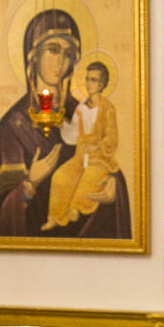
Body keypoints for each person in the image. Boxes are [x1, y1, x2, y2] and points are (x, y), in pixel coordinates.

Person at [0, 9, 131, 239]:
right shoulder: (13, 125)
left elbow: (103, 157)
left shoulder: (84, 109)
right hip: (36, 248)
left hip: (89, 241)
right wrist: (30, 183)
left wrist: (112, 183)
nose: (60, 61)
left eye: (68, 54)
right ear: (33, 55)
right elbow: (5, 212)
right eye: (53, 50)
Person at [43, 61, 121, 230]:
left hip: (99, 159)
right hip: (80, 157)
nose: (88, 83)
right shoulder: (81, 107)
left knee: (88, 180)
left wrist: (97, 146)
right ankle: (55, 217)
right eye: (87, 79)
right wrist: (61, 124)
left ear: (101, 84)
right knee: (59, 177)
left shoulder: (108, 108)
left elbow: (112, 137)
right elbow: (73, 135)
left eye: (93, 80)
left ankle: (75, 209)